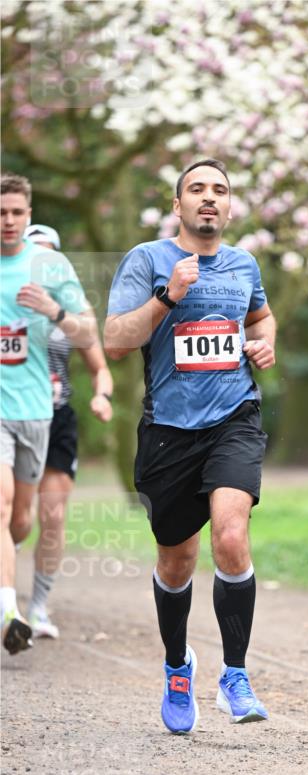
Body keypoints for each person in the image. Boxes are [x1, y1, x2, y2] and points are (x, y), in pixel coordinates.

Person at [104, 159, 276, 734]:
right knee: (176, 562)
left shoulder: (244, 264)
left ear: (230, 208)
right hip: (168, 432)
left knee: (231, 532)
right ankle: (178, 666)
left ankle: (235, 675)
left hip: (235, 417)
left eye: (220, 191)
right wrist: (168, 298)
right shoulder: (148, 260)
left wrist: (263, 345)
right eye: (197, 190)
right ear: (177, 206)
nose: (209, 199)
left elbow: (262, 317)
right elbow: (116, 342)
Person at [1, 173, 97, 654]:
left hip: (43, 414)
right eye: (2, 213)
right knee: (1, 508)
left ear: (30, 216)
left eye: (17, 213)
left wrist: (55, 312)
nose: (9, 222)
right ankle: (8, 612)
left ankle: (27, 595)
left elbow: (89, 339)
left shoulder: (52, 272)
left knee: (29, 520)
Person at [24, 223, 114, 639]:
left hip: (58, 419)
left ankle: (39, 608)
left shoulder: (71, 317)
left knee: (53, 515)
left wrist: (102, 396)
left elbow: (100, 368)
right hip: (14, 417)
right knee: (18, 521)